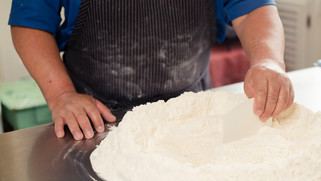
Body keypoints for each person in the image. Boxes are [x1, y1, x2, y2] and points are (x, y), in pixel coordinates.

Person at [9, 0, 294, 140]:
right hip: (94, 120)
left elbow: (254, 9)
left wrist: (267, 60)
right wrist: (60, 94)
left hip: (191, 114)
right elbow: (30, 23)